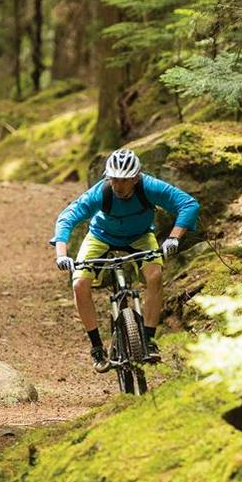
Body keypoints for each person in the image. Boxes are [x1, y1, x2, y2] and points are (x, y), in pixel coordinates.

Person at [51, 148, 200, 369]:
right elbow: (67, 218)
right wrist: (62, 254)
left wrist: (173, 239)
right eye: (114, 179)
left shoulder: (149, 187)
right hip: (101, 236)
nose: (118, 186)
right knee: (80, 284)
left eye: (124, 180)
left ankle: (149, 340)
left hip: (140, 236)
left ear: (136, 178)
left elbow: (188, 204)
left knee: (155, 276)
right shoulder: (101, 192)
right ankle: (96, 347)